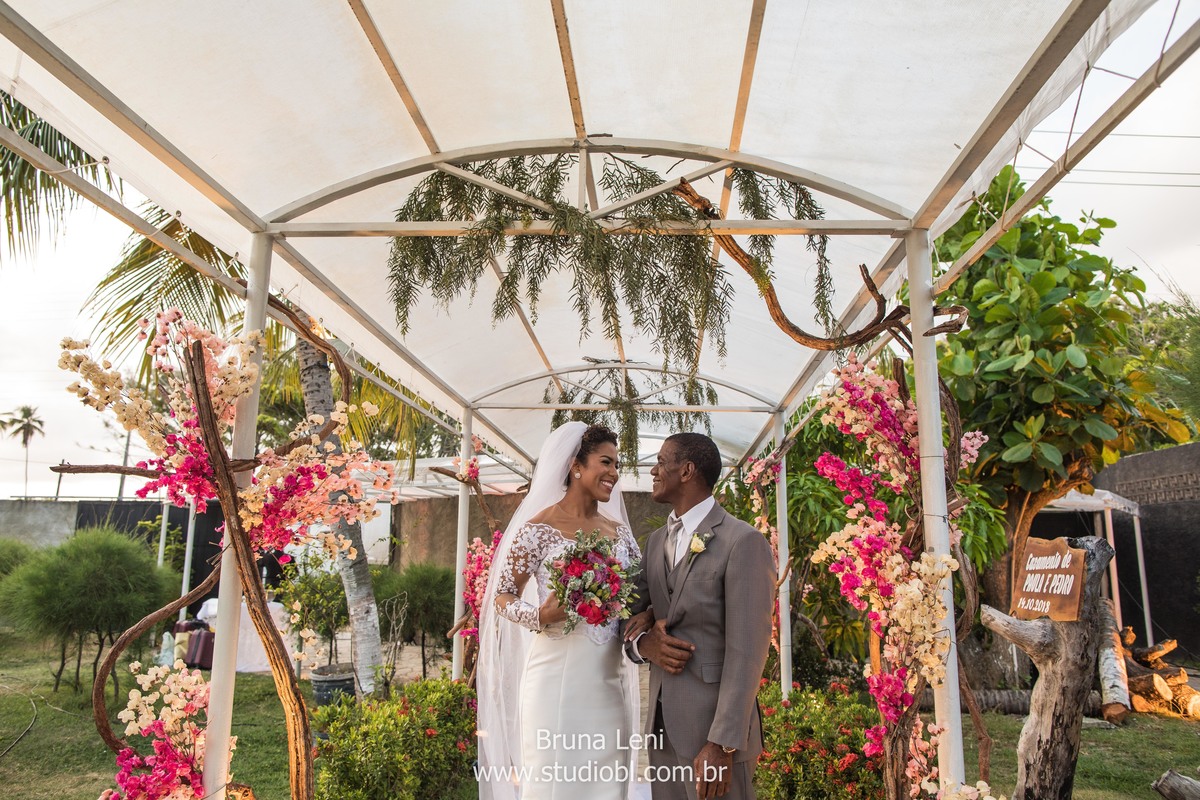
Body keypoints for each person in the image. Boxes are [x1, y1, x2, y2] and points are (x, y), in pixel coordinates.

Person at [477, 421, 651, 800]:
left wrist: (646, 616)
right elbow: (502, 596)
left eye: (617, 465)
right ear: (576, 466)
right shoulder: (538, 528)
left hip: (609, 682)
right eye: (605, 462)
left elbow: (642, 594)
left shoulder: (620, 533)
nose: (614, 473)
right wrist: (539, 616)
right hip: (554, 680)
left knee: (607, 784)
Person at [624, 432, 775, 800]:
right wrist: (644, 645)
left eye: (661, 462)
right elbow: (626, 618)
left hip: (714, 737)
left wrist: (722, 744)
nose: (653, 471)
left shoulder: (742, 541)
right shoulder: (655, 542)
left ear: (687, 470)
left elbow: (748, 652)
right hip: (662, 730)